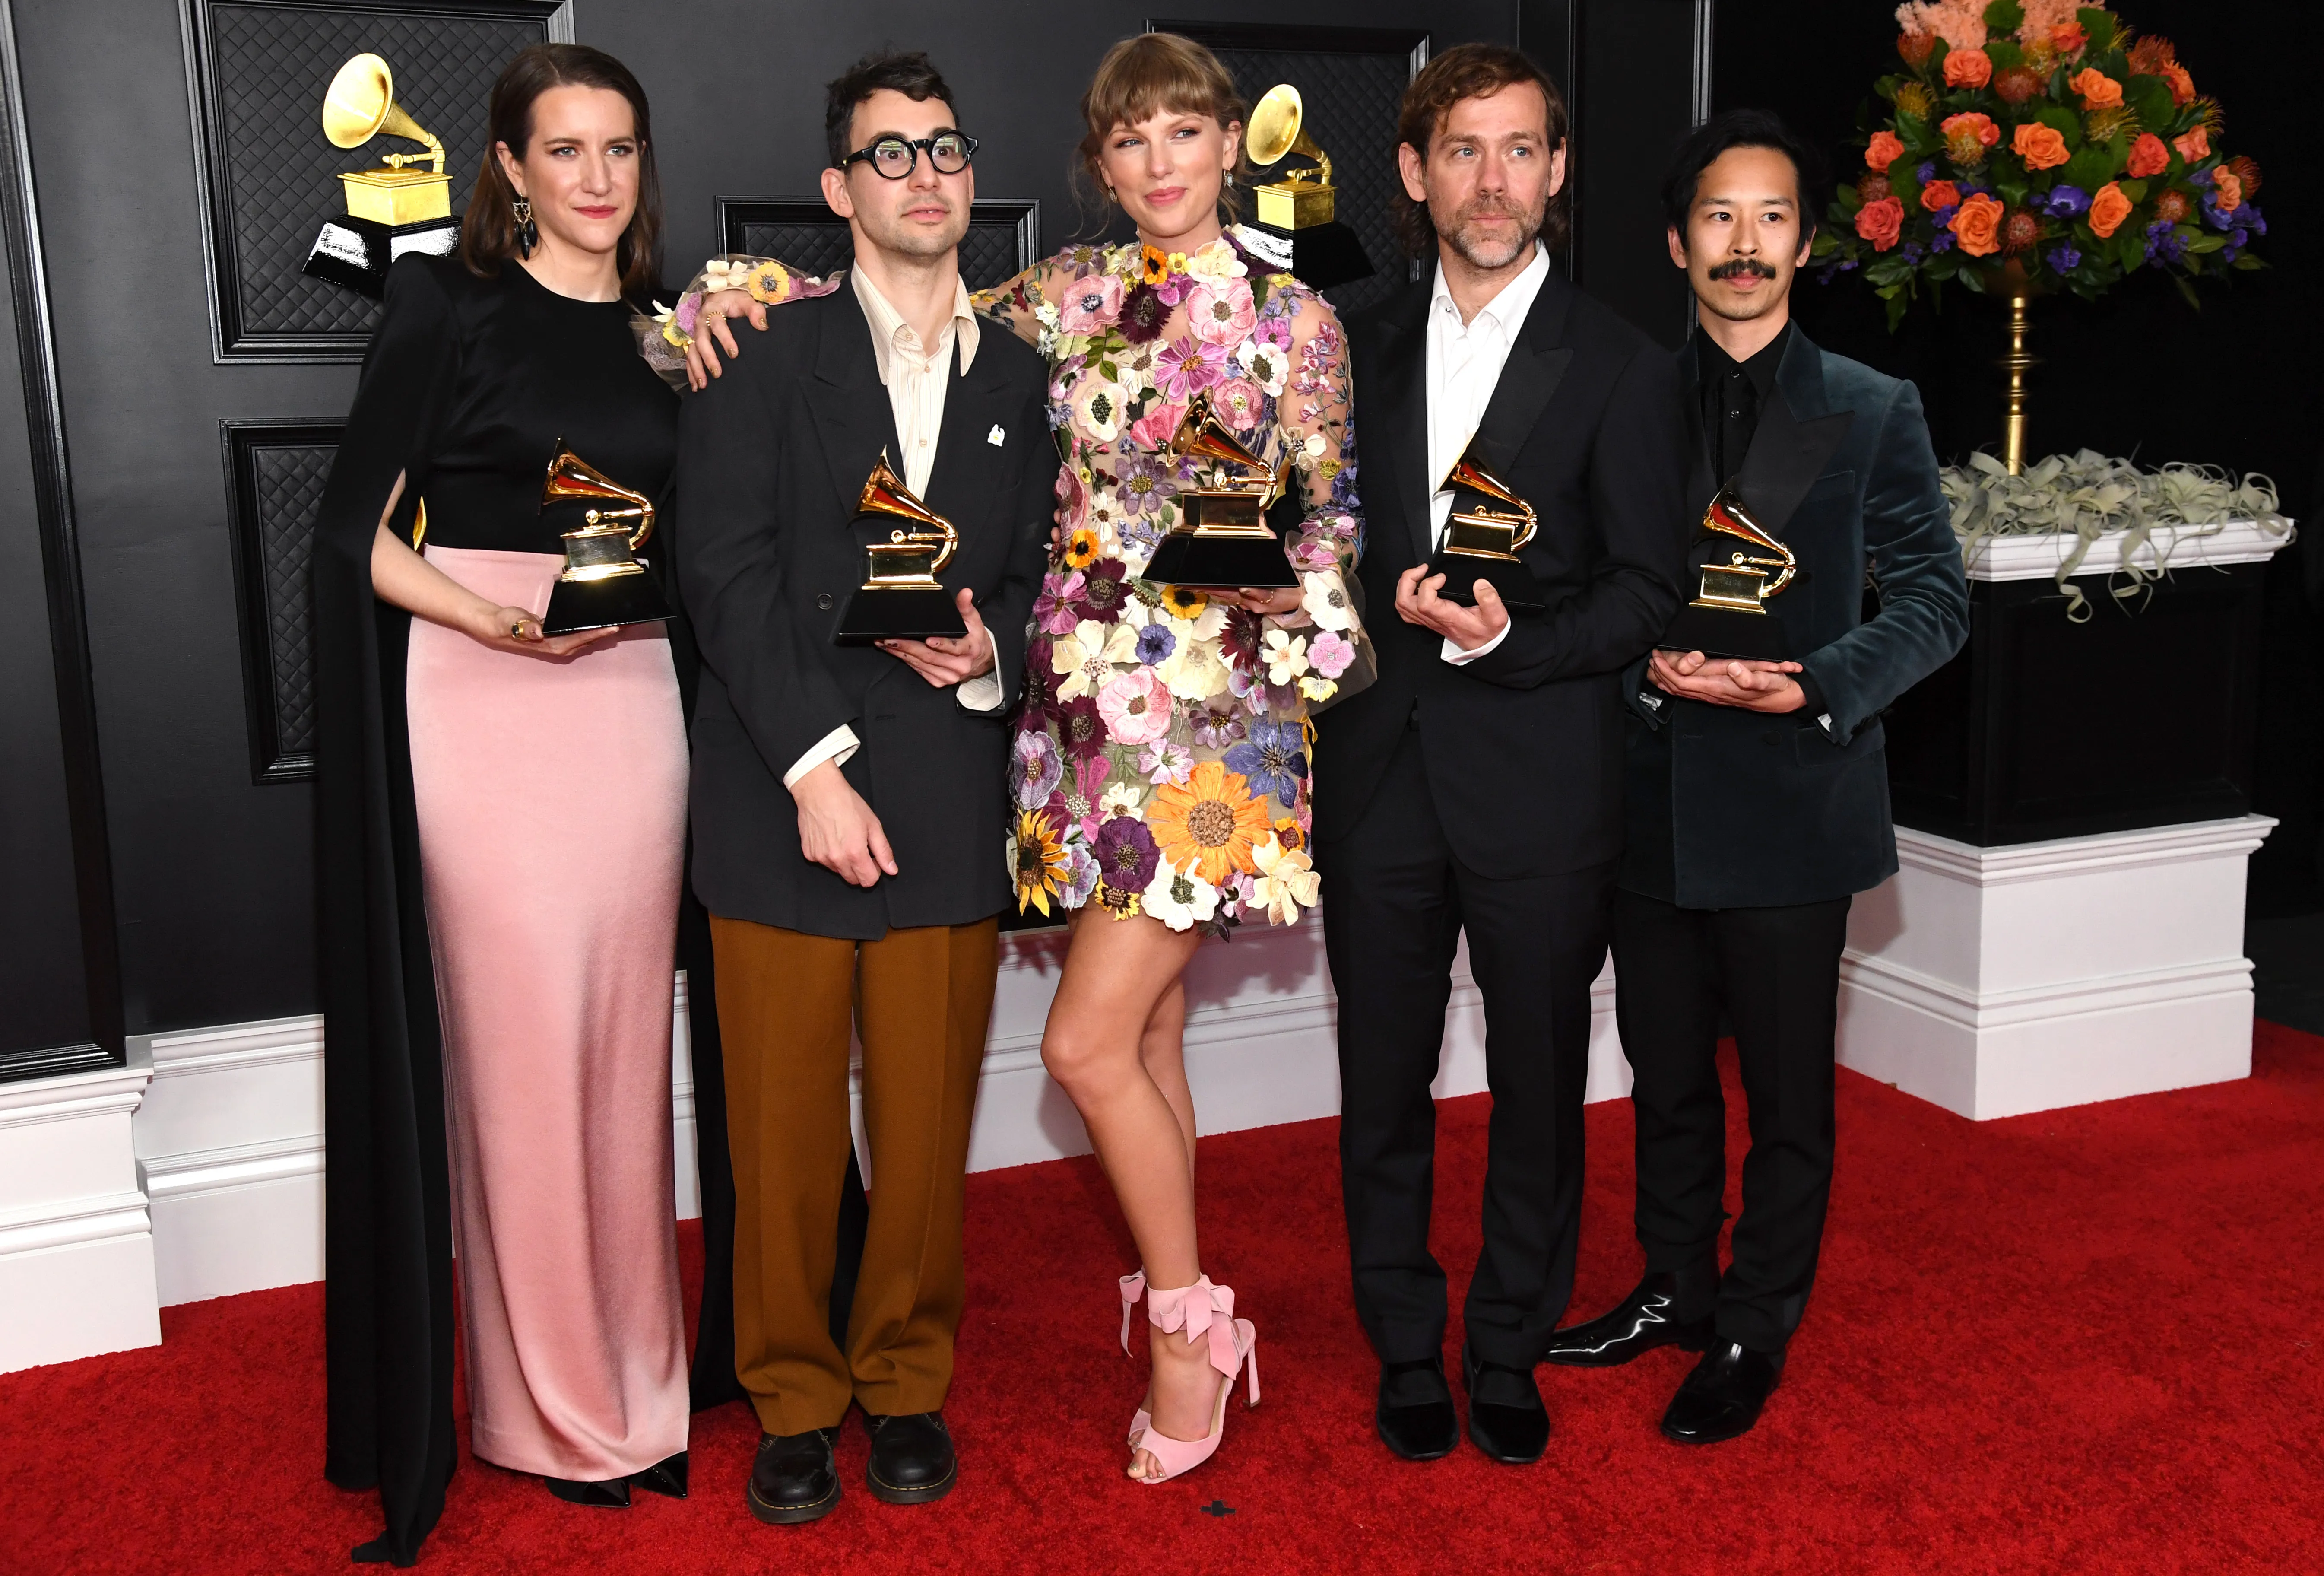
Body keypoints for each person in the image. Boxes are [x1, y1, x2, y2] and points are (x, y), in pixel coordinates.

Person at [680, 32, 1366, 1485]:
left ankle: (1189, 1327)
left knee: (1079, 1046)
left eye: (1187, 131)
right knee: (1153, 1039)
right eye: (1132, 140)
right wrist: (717, 300)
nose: (1162, 161)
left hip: (1212, 734)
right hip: (1074, 731)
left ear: (1230, 143)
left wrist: (1289, 594)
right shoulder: (1057, 300)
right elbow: (893, 301)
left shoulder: (1302, 322)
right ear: (1100, 164)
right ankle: (1155, 1312)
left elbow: (1333, 543)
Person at [310, 43, 693, 1564]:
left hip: (631, 699)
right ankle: (546, 1414)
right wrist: (489, 623)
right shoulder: (445, 308)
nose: (597, 179)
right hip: (486, 696)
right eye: (566, 151)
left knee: (618, 1054)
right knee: (525, 1063)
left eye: (619, 149)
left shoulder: (673, 336)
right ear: (510, 168)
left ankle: (643, 1385)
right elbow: (358, 531)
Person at [1541, 109, 1968, 1443]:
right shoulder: (1612, 395)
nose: (1744, 243)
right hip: (1648, 792)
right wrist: (1626, 673)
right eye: (1718, 217)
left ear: (1805, 242)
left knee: (1784, 1093)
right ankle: (1672, 1287)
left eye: (1771, 217)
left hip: (1793, 795)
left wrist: (1816, 682)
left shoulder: (1869, 406)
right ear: (1677, 242)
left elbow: (1936, 601)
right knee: (1661, 1077)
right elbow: (1580, 588)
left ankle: (1752, 1321)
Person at [670, 51, 1053, 1525]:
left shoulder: (1023, 377)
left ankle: (901, 1380)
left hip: (949, 798)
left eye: (944, 150)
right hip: (782, 798)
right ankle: (790, 1395)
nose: (923, 176)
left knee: (921, 1123)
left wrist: (982, 650)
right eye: (888, 156)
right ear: (838, 192)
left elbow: (1028, 585)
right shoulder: (758, 353)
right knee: (776, 1136)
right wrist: (817, 774)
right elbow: (726, 574)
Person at [1310, 42, 1692, 1468]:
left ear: (1558, 170)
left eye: (1521, 149)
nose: (1492, 180)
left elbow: (1648, 592)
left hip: (1542, 773)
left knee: (1537, 1080)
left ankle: (1504, 1342)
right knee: (1382, 1075)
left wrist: (1497, 643)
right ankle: (1405, 1343)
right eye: (1462, 150)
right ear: (1412, 173)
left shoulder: (1622, 366)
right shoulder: (1341, 340)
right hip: (1378, 769)